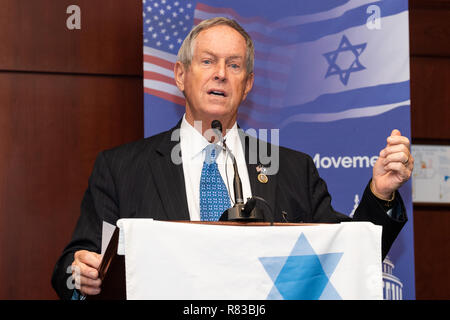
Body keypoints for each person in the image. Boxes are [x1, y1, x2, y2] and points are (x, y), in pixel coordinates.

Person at [51, 17, 414, 300]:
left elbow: (343, 256)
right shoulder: (121, 168)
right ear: (180, 75)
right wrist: (79, 273)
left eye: (234, 65)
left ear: (248, 83)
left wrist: (380, 194)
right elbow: (69, 270)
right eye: (207, 61)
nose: (220, 74)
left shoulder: (292, 169)